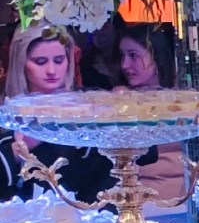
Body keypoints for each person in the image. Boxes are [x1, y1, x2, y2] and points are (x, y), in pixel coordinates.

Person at [0, 24, 113, 204]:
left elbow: (134, 159)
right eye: (40, 62)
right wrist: (18, 150)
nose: (51, 71)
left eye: (59, 60)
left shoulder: (91, 104)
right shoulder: (6, 113)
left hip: (91, 213)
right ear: (21, 62)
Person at [113, 23, 186, 200]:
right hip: (141, 200)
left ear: (156, 55)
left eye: (133, 55)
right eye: (122, 56)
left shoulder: (186, 98)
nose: (125, 64)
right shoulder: (122, 100)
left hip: (190, 195)